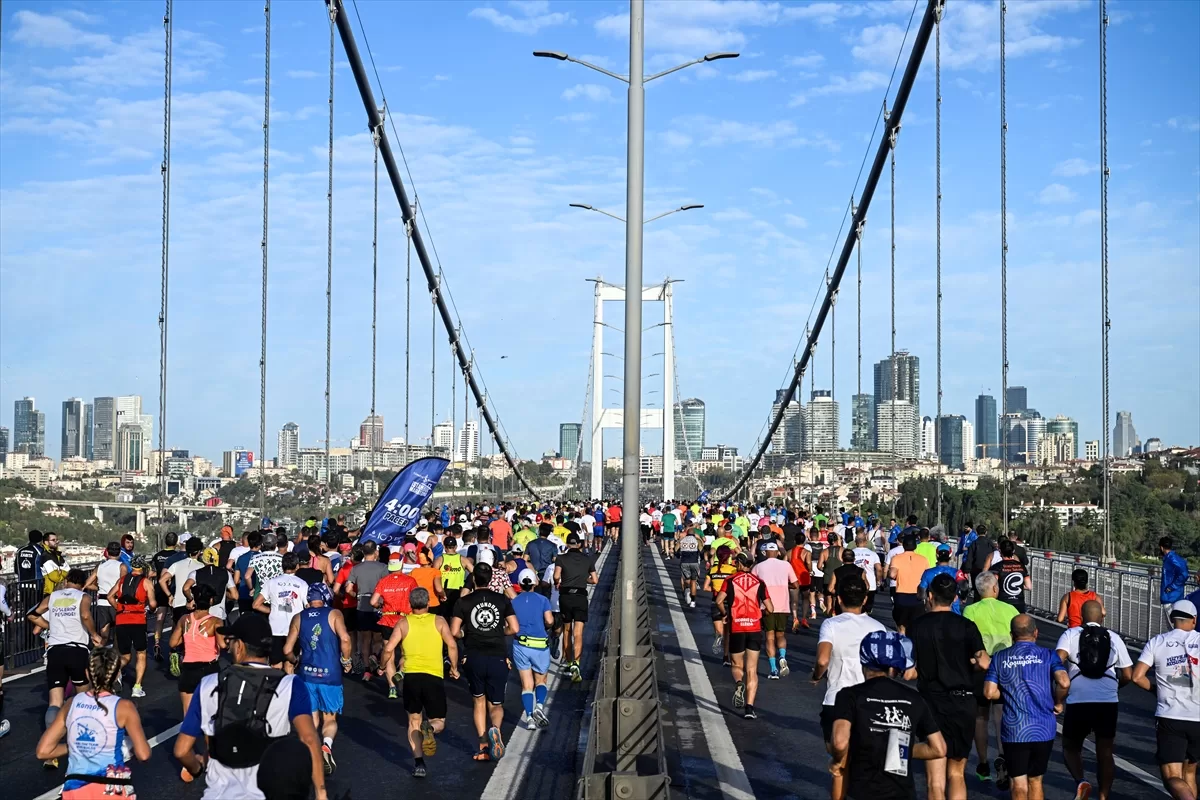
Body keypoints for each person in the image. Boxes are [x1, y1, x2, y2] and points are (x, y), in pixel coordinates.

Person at [174, 613, 328, 800]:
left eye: (230, 641)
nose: (228, 647)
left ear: (239, 646)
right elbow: (309, 739)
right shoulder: (290, 685)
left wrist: (197, 767)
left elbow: (181, 750)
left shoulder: (208, 684)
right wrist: (321, 792)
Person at [830, 630, 947, 800]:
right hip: (902, 794)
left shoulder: (849, 696)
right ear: (893, 667)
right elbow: (939, 748)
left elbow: (840, 742)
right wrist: (898, 749)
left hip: (862, 791)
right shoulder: (913, 698)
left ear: (863, 661)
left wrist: (836, 761)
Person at [908, 573, 990, 800]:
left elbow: (909, 668)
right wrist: (969, 666)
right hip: (963, 701)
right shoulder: (966, 625)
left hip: (930, 702)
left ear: (930, 595)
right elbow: (984, 662)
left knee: (935, 781)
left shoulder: (918, 626)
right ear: (955, 598)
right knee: (956, 773)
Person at [36, 647, 152, 796]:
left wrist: (79, 746)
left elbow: (43, 751)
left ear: (87, 674)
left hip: (75, 790)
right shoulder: (124, 707)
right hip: (110, 789)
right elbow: (143, 754)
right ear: (117, 675)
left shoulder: (71, 703)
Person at [813, 574, 886, 800]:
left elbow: (823, 660)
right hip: (871, 701)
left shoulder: (831, 624)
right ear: (865, 600)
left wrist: (816, 676)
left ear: (839, 598)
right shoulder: (879, 627)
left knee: (839, 763)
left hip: (838, 699)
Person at [984, 615, 1070, 800]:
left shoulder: (1000, 657)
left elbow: (989, 693)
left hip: (1015, 729)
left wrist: (1007, 692)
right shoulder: (1048, 655)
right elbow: (1064, 681)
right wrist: (1058, 702)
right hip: (1043, 728)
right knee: (1036, 780)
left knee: (1018, 783)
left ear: (1011, 635)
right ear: (1036, 633)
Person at [1054, 599, 1132, 800]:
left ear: (1081, 615)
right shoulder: (1114, 638)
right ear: (1102, 615)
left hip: (1078, 699)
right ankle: (1104, 795)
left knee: (1071, 746)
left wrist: (1059, 690)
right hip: (1107, 701)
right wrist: (1115, 687)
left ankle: (1081, 781)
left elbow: (1057, 659)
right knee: (1105, 751)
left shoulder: (1070, 634)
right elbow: (1128, 675)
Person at [27, 568, 104, 769]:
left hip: (55, 651)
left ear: (67, 580)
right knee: (83, 697)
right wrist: (94, 634)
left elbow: (32, 615)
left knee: (54, 702)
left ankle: (51, 751)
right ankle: (83, 744)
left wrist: (48, 626)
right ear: (81, 583)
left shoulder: (53, 596)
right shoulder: (83, 596)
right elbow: (86, 616)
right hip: (76, 649)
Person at [379, 587, 460, 777]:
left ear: (410, 604)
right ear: (428, 603)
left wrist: (383, 666)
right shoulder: (438, 621)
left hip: (411, 677)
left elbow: (389, 648)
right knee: (439, 721)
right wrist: (454, 668)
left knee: (413, 721)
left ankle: (419, 764)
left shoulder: (403, 623)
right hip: (433, 677)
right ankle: (430, 728)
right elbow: (452, 645)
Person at [1132, 599, 1200, 800]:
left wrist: (1154, 689)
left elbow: (1137, 677)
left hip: (1170, 716)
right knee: (1189, 774)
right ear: (1194, 620)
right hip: (1198, 718)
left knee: (1171, 777)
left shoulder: (1157, 642)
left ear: (1172, 620)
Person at [451, 563, 519, 762]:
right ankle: (495, 729)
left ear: (473, 579)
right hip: (498, 655)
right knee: (496, 703)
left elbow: (455, 631)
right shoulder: (502, 599)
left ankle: (482, 747)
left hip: (473, 656)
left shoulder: (463, 602)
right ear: (491, 579)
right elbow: (514, 628)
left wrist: (466, 633)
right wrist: (500, 632)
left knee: (478, 701)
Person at [284, 582, 352, 776]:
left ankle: (309, 755)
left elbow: (287, 650)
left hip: (307, 674)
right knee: (329, 719)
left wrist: (294, 660)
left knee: (312, 719)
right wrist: (346, 660)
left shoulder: (299, 617)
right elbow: (345, 639)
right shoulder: (334, 614)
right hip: (330, 674)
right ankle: (326, 747)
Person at [963, 570, 1020, 787]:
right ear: (996, 589)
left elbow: (966, 640)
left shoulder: (970, 610)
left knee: (980, 717)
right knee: (1001, 715)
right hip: (1006, 667)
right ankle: (1003, 756)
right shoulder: (1010, 609)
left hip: (980, 668)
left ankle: (983, 763)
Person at [717, 553, 773, 718]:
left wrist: (724, 613)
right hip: (754, 628)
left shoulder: (730, 581)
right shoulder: (760, 583)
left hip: (737, 627)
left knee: (736, 665)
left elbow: (719, 600)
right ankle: (749, 708)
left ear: (739, 564)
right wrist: (760, 614)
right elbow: (771, 608)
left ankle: (739, 683)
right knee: (752, 669)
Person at [170, 583, 224, 719]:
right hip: (208, 668)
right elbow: (222, 645)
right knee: (210, 716)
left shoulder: (184, 619)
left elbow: (173, 642)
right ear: (211, 601)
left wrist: (189, 637)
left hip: (188, 668)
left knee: (188, 716)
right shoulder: (216, 621)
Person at [511, 568, 555, 730]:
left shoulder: (514, 602)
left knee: (526, 684)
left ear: (520, 584)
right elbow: (549, 621)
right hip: (539, 644)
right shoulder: (543, 600)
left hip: (521, 644)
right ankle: (539, 707)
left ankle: (529, 718)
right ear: (535, 583)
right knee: (541, 680)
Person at [370, 552, 418, 698]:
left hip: (387, 620)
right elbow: (416, 599)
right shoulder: (410, 581)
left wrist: (380, 606)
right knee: (405, 652)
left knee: (388, 653)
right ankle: (401, 672)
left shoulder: (383, 581)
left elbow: (372, 602)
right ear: (401, 564)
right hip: (404, 620)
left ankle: (392, 688)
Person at [109, 554, 157, 698]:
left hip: (122, 619)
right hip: (138, 621)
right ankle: (137, 687)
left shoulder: (122, 580)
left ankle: (112, 673)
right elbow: (153, 603)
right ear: (143, 567)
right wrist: (150, 608)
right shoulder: (146, 582)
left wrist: (119, 607)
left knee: (125, 655)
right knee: (141, 653)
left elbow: (110, 596)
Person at [341, 541, 388, 680]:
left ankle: (367, 670)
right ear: (375, 552)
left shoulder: (356, 568)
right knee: (378, 638)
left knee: (365, 639)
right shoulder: (383, 567)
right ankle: (376, 656)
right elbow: (386, 588)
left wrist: (357, 596)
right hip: (378, 606)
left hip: (362, 606)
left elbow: (348, 588)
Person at [254, 553, 309, 671]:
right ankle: (288, 688)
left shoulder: (271, 582)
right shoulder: (302, 584)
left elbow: (256, 605)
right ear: (297, 566)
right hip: (294, 630)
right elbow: (307, 606)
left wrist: (271, 610)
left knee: (275, 665)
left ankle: (275, 688)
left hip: (275, 628)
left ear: (282, 566)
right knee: (289, 665)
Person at [554, 533, 597, 683]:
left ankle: (568, 661)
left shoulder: (561, 558)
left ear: (567, 544)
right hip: (581, 597)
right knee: (578, 632)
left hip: (566, 597)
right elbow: (595, 580)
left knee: (567, 631)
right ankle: (576, 664)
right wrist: (583, 578)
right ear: (579, 544)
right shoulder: (587, 559)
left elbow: (556, 576)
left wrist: (560, 581)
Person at [751, 542, 797, 681]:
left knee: (769, 637)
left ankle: (773, 669)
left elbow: (753, 587)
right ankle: (782, 656)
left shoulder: (758, 567)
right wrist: (784, 584)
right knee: (781, 635)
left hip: (767, 606)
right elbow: (795, 584)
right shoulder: (786, 565)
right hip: (783, 605)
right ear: (777, 552)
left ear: (764, 553)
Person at [160, 537, 205, 675]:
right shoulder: (201, 567)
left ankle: (174, 652)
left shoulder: (177, 564)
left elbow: (162, 580)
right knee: (191, 633)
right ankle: (187, 659)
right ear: (199, 551)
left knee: (177, 630)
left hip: (177, 603)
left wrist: (169, 595)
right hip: (192, 603)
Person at [150, 531, 182, 661]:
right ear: (176, 542)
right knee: (175, 619)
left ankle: (157, 643)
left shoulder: (157, 556)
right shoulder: (177, 556)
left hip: (159, 588)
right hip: (172, 590)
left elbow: (151, 572)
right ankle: (172, 646)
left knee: (159, 618)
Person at [88, 541, 127, 645]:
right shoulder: (122, 566)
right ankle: (116, 658)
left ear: (107, 552)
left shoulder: (100, 567)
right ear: (119, 553)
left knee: (104, 635)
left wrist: (99, 588)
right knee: (118, 634)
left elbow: (87, 584)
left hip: (101, 603)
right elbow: (123, 585)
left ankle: (98, 657)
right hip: (116, 602)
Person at [888, 533, 928, 635]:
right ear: (915, 546)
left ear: (903, 545)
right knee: (916, 627)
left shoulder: (896, 558)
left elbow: (892, 574)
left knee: (901, 626)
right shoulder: (923, 559)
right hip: (918, 596)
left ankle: (902, 646)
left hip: (901, 596)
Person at [702, 546, 737, 661]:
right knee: (729, 633)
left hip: (715, 602)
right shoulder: (733, 570)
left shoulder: (712, 570)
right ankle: (726, 657)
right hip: (729, 603)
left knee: (720, 631)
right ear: (728, 557)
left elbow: (705, 587)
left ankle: (718, 636)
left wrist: (716, 590)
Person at [184, 547, 237, 621]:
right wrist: (223, 592)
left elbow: (186, 588)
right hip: (219, 615)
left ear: (203, 558)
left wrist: (190, 599)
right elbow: (235, 596)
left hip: (201, 615)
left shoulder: (195, 573)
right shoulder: (226, 573)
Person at [919, 544, 966, 615]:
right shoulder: (957, 572)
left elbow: (922, 593)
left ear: (937, 556)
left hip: (934, 610)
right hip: (953, 611)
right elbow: (964, 587)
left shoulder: (928, 572)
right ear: (950, 556)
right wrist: (963, 597)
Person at [990, 538, 1031, 613]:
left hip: (1003, 602)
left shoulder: (996, 567)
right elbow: (1029, 586)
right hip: (1019, 603)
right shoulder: (1021, 566)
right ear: (1013, 551)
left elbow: (993, 586)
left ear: (1000, 552)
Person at [1159, 537, 1191, 626]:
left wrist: (1171, 587)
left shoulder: (1172, 559)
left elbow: (1184, 574)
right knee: (1174, 626)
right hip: (1172, 596)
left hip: (1171, 597)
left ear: (1161, 547)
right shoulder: (1171, 558)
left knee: (1173, 626)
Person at [678, 525, 703, 608]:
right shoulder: (697, 541)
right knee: (693, 581)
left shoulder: (682, 540)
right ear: (694, 534)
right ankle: (693, 601)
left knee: (686, 580)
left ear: (687, 533)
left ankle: (687, 590)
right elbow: (701, 552)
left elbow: (676, 551)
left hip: (684, 562)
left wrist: (679, 555)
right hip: (694, 562)